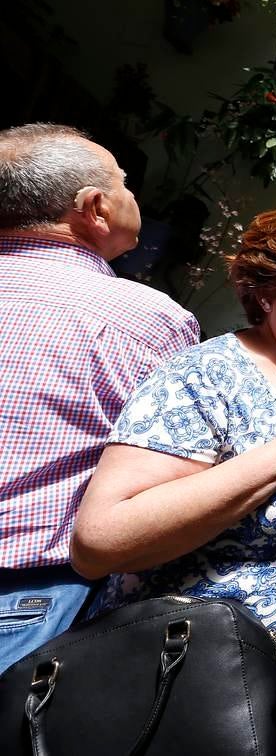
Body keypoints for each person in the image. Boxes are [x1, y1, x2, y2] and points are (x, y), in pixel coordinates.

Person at [71, 202, 276, 642]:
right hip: (170, 661)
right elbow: (98, 543)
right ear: (267, 291)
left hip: (275, 674)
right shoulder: (207, 376)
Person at [0, 123, 199, 672]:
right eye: (125, 184)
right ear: (95, 207)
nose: (135, 196)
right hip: (32, 596)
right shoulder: (148, 320)